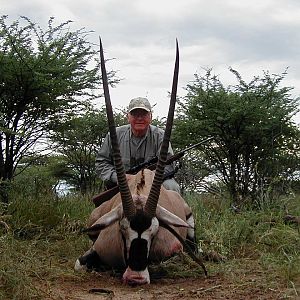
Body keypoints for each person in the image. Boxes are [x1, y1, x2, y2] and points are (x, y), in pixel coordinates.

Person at [96, 97, 181, 194]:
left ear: (150, 117)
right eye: (135, 114)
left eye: (144, 114)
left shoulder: (160, 136)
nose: (139, 118)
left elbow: (168, 166)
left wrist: (148, 177)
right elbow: (101, 163)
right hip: (122, 183)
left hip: (153, 182)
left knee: (171, 186)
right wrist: (118, 177)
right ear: (128, 117)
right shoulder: (114, 135)